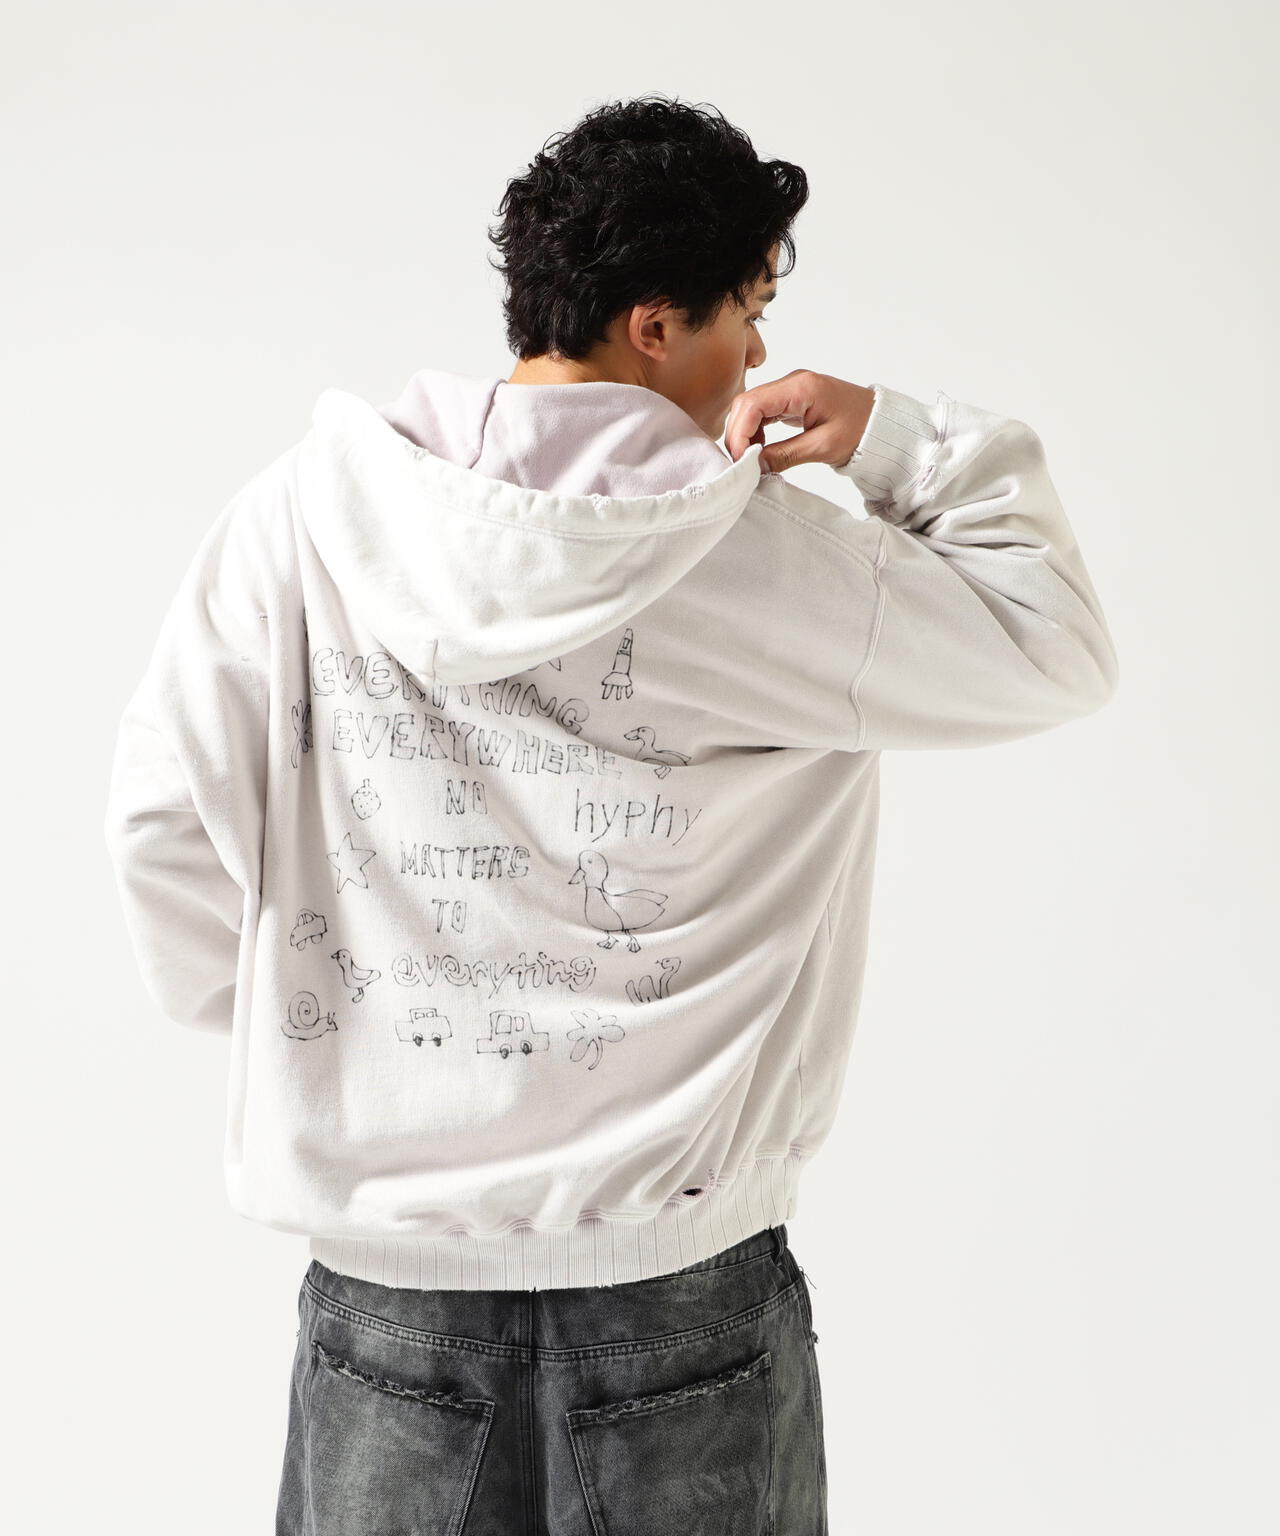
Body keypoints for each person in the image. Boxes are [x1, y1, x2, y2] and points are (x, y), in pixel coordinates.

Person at [102, 94, 1119, 1535]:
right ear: (656, 326)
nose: (759, 355)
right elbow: (1053, 640)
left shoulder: (300, 522)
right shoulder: (772, 563)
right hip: (680, 1292)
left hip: (391, 1303)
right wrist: (896, 441)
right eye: (749, 312)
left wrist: (329, 1042)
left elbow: (160, 824)